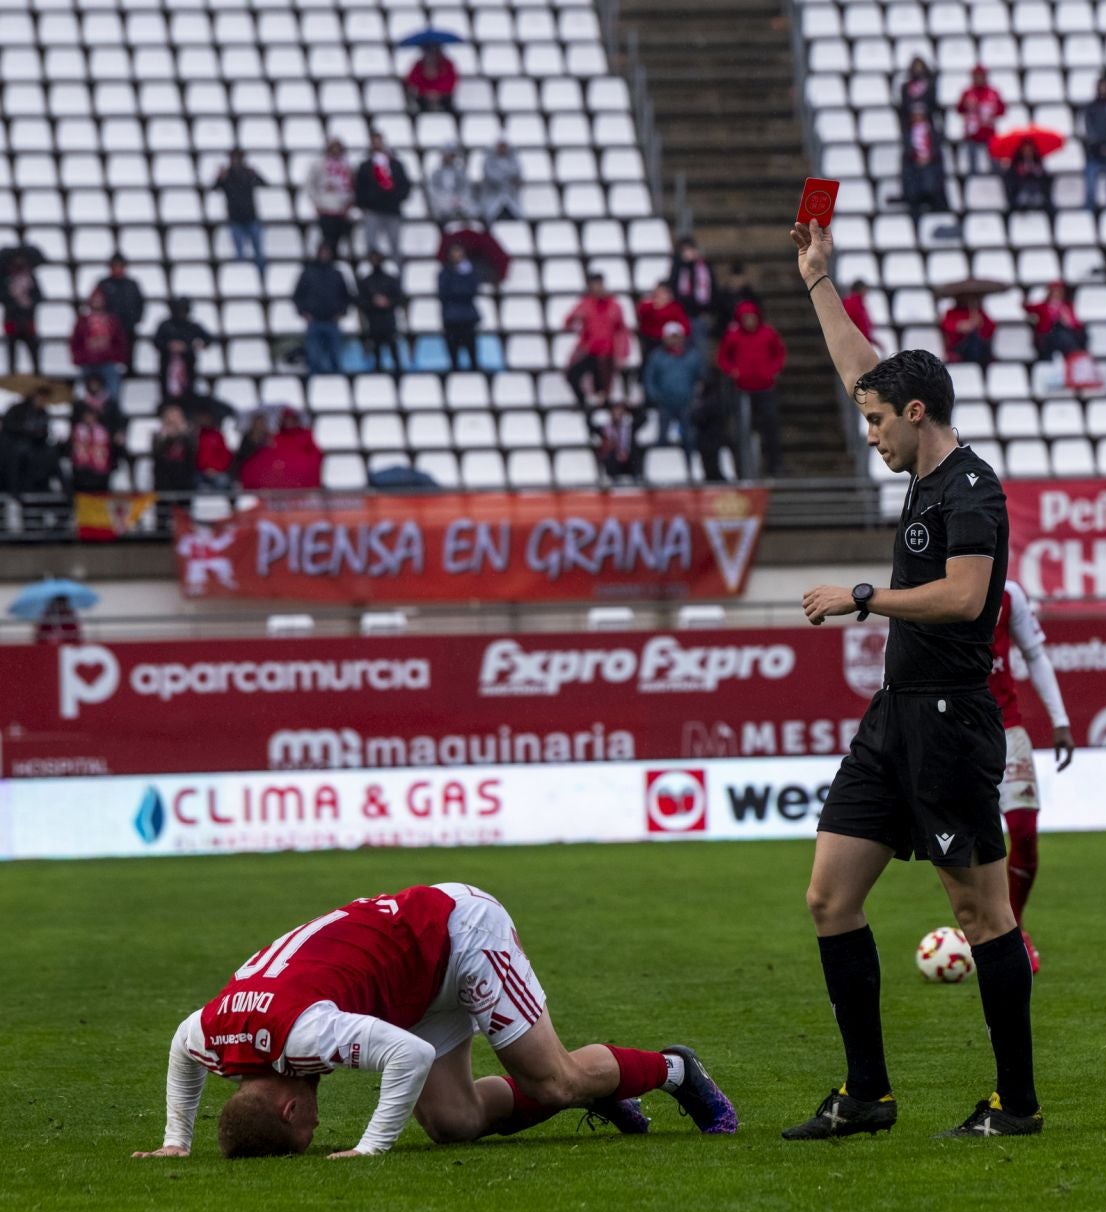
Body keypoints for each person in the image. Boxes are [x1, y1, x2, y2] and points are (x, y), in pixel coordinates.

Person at [785, 215, 1039, 1141]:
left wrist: (865, 596)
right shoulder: (920, 471)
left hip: (950, 722)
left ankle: (1016, 1106)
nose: (871, 432)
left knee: (982, 914)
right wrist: (819, 278)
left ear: (918, 415)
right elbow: (865, 367)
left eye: (878, 420)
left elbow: (969, 599)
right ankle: (867, 1096)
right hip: (894, 717)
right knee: (828, 898)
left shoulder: (973, 490)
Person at [133, 883, 735, 1160]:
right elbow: (180, 1048)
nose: (318, 1127)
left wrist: (371, 1147)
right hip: (407, 979)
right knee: (454, 1124)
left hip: (458, 934)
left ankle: (674, 1070)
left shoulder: (302, 1035)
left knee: (553, 1081)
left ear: (289, 1109)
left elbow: (409, 1057)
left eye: (307, 1134)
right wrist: (175, 1142)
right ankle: (598, 1088)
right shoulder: (213, 1034)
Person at [986, 579, 1074, 974]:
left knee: (1022, 831)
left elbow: (1035, 654)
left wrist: (1060, 720)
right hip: (952, 731)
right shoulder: (932, 587)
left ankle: (1014, 929)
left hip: (1006, 729)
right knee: (965, 842)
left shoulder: (1009, 593)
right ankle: (986, 930)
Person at [715, 299, 787, 476]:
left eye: (752, 317)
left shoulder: (768, 333)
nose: (749, 321)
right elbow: (723, 357)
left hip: (766, 387)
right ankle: (744, 468)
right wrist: (733, 371)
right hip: (743, 389)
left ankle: (774, 465)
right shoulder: (733, 335)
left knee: (770, 427)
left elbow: (779, 353)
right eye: (745, 318)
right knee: (742, 428)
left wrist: (773, 370)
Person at [563, 274, 631, 406]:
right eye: (594, 285)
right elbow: (568, 322)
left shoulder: (614, 305)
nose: (597, 288)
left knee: (602, 389)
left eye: (599, 284)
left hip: (607, 353)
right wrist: (575, 320)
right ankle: (583, 403)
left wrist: (623, 352)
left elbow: (621, 329)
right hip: (590, 350)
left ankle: (598, 412)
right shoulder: (585, 303)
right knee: (572, 374)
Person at [643, 320, 705, 455]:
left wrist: (696, 395)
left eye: (676, 336)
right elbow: (649, 378)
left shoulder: (692, 356)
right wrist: (655, 396)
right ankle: (663, 465)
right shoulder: (657, 356)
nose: (674, 340)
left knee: (688, 435)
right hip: (665, 403)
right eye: (671, 337)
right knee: (662, 436)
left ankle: (691, 465)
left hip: (686, 402)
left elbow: (700, 377)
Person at [294, 243, 355, 376]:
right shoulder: (308, 273)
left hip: (332, 321)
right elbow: (298, 295)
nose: (324, 255)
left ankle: (337, 387)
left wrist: (342, 312)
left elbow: (347, 296)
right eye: (322, 252)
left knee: (335, 358)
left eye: (327, 252)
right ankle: (316, 388)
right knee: (314, 358)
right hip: (314, 321)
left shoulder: (337, 274)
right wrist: (303, 312)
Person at [354, 134, 413, 264]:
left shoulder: (396, 165)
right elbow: (359, 187)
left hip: (392, 210)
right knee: (371, 245)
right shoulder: (365, 166)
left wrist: (396, 198)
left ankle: (396, 278)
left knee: (395, 246)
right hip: (373, 210)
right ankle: (373, 273)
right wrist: (363, 204)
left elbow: (405, 186)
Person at [213, 150, 269, 276]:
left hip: (251, 217)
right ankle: (243, 277)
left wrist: (256, 175)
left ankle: (262, 278)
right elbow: (215, 188)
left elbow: (264, 184)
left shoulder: (248, 173)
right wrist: (219, 178)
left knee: (259, 252)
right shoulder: (227, 175)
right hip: (235, 219)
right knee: (239, 254)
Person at [91, 255, 147, 375]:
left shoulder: (132, 284)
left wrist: (137, 318)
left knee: (129, 348)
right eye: (114, 266)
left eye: (120, 266)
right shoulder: (103, 283)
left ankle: (130, 369)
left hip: (128, 324)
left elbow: (140, 302)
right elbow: (95, 301)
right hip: (108, 327)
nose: (117, 269)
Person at [68, 294, 130, 401]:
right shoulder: (82, 321)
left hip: (107, 361)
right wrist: (80, 357)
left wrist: (114, 356)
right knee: (83, 395)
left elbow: (120, 341)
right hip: (87, 361)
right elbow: (75, 341)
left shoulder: (112, 320)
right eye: (95, 300)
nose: (97, 303)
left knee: (113, 394)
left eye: (99, 300)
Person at [1, 386, 58, 495]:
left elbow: (44, 433)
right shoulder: (18, 409)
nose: (42, 401)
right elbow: (9, 426)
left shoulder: (43, 413)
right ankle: (17, 490)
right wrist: (27, 431)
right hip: (14, 444)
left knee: (51, 455)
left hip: (36, 445)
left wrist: (39, 434)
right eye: (41, 397)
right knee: (21, 454)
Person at [305, 137, 356, 259]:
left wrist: (350, 202)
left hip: (342, 210)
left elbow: (353, 186)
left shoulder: (348, 165)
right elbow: (310, 184)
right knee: (327, 240)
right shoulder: (319, 164)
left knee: (339, 242)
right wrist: (316, 202)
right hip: (325, 208)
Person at [357, 250, 407, 373]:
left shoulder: (390, 280)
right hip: (373, 320)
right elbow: (361, 301)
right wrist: (373, 303)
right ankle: (377, 371)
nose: (375, 261)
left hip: (389, 319)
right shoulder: (366, 281)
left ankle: (398, 371)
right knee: (376, 348)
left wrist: (388, 302)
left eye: (377, 258)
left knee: (393, 347)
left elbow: (400, 298)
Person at [1079, 76, 1106, 210]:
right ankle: (1088, 212)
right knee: (1091, 189)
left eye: (1105, 87)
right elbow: (1089, 129)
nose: (1103, 90)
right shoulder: (1091, 107)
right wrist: (1099, 143)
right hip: (1093, 152)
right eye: (1101, 87)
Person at [154, 300, 211, 401]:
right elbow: (156, 342)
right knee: (168, 394)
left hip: (188, 364)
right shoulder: (165, 325)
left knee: (188, 393)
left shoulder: (192, 325)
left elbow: (208, 339)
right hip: (168, 365)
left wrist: (190, 346)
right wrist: (169, 346)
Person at [438, 243, 483, 373]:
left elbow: (473, 290)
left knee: (472, 353)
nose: (456, 255)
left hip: (468, 318)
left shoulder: (471, 271)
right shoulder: (445, 272)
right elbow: (444, 293)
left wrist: (457, 289)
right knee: (453, 356)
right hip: (451, 319)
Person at [901, 107, 950, 218]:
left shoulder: (933, 132)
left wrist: (929, 158)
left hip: (932, 167)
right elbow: (908, 150)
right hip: (914, 169)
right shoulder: (908, 133)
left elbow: (936, 149)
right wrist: (915, 158)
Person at [956, 66, 1005, 176]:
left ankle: (997, 182)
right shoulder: (967, 93)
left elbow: (1002, 110)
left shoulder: (992, 93)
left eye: (981, 76)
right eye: (976, 76)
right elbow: (959, 109)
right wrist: (967, 106)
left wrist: (991, 111)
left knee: (995, 163)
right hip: (971, 134)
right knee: (972, 165)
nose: (979, 79)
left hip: (988, 132)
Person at [671, 237, 718, 343]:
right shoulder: (678, 267)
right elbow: (673, 284)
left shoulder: (704, 266)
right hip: (681, 314)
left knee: (700, 345)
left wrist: (710, 311)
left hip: (700, 314)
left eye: (690, 249)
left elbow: (712, 289)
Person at [66, 404, 118, 494]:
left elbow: (106, 451)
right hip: (82, 470)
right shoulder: (77, 430)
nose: (89, 418)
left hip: (99, 470)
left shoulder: (102, 431)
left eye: (91, 415)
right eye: (87, 415)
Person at [1025, 281, 1086, 358]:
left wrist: (1067, 319)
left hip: (1066, 334)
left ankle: (1073, 356)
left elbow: (1075, 324)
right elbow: (1028, 308)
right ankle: (1074, 356)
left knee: (1067, 336)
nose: (1056, 294)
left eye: (1059, 292)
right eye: (1054, 291)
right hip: (1049, 336)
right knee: (1062, 336)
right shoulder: (1043, 306)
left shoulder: (1067, 306)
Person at [635, 281, 691, 365]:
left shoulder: (675, 308)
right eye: (657, 293)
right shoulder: (648, 307)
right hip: (649, 341)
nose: (659, 296)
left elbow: (685, 328)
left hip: (667, 343)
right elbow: (642, 316)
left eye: (662, 293)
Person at [4, 257, 42, 374]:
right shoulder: (6, 280)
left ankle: (37, 371)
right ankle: (12, 371)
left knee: (33, 345)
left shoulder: (32, 280)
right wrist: (14, 300)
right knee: (11, 345)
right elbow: (2, 297)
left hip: (28, 318)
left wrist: (28, 301)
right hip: (11, 319)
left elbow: (39, 296)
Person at [151, 403, 198, 496]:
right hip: (165, 479)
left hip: (185, 478)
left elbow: (193, 450)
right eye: (170, 418)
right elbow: (156, 453)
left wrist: (184, 434)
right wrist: (164, 437)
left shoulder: (190, 434)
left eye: (177, 417)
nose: (174, 421)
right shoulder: (158, 435)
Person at [476, 141, 525, 222]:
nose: (503, 149)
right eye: (500, 146)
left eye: (504, 146)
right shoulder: (488, 161)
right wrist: (509, 178)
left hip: (511, 203)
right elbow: (492, 178)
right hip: (493, 202)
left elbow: (518, 174)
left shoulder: (513, 160)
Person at [591, 402, 640, 482]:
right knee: (607, 455)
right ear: (611, 414)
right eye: (615, 412)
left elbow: (643, 418)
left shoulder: (629, 427)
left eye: (620, 413)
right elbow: (590, 424)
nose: (617, 415)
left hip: (627, 461)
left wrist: (631, 408)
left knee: (635, 454)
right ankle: (612, 480)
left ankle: (635, 479)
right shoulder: (604, 428)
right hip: (613, 462)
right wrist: (596, 407)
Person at [1001, 140, 1053, 213]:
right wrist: (1021, 173)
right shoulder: (1015, 163)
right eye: (1026, 149)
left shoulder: (1038, 161)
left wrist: (1037, 171)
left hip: (1037, 190)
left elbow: (1045, 177)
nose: (1028, 152)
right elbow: (1010, 178)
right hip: (1020, 191)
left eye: (1030, 149)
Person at [425, 147, 474, 225]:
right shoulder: (436, 173)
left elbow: (465, 190)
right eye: (448, 155)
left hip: (459, 207)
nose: (450, 158)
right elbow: (433, 192)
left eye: (452, 156)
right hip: (442, 209)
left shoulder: (460, 172)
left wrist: (459, 201)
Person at [405, 46, 459, 114]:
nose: (431, 55)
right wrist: (426, 93)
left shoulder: (447, 65)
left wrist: (438, 93)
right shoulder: (418, 65)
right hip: (423, 97)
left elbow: (451, 81)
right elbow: (412, 81)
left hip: (444, 96)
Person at [940, 297, 995, 365]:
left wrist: (980, 323)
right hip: (959, 352)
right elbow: (946, 328)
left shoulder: (979, 313)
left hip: (981, 354)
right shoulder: (951, 313)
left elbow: (990, 331)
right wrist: (960, 326)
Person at [897, 56, 939, 126]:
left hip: (927, 121)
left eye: (920, 67)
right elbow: (904, 105)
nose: (918, 69)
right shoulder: (905, 87)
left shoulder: (930, 85)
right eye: (916, 67)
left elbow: (933, 104)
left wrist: (923, 113)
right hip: (911, 122)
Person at [842, 280, 878, 348]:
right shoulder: (853, 303)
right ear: (861, 289)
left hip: (860, 343)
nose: (867, 293)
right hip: (857, 345)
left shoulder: (858, 303)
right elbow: (860, 326)